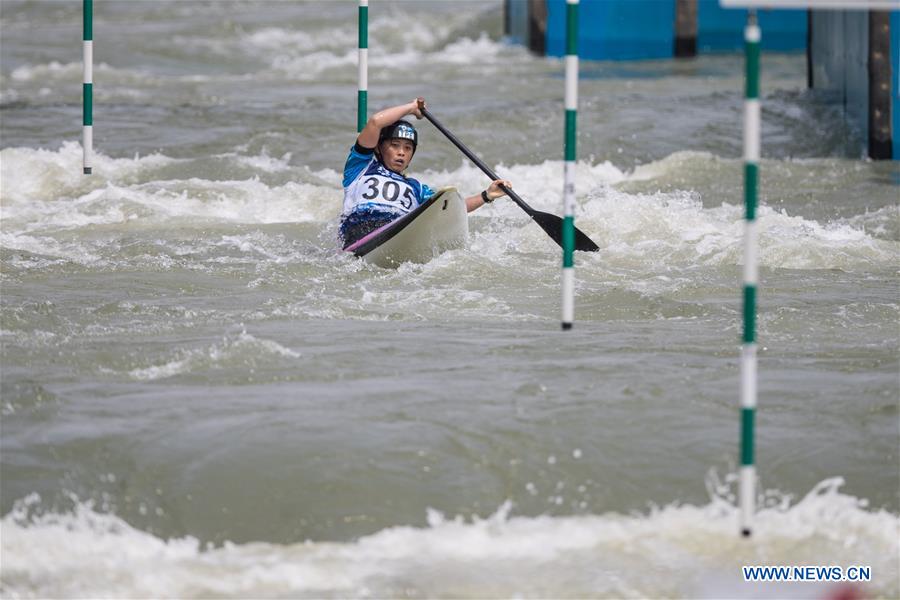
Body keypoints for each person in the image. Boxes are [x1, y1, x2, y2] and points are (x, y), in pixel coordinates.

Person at [340, 97, 511, 248]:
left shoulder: (416, 188)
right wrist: (411, 108)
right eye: (395, 145)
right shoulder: (360, 167)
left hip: (395, 230)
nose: (401, 152)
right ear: (379, 147)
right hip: (357, 232)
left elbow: (451, 207)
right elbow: (376, 122)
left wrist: (486, 195)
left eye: (407, 148)